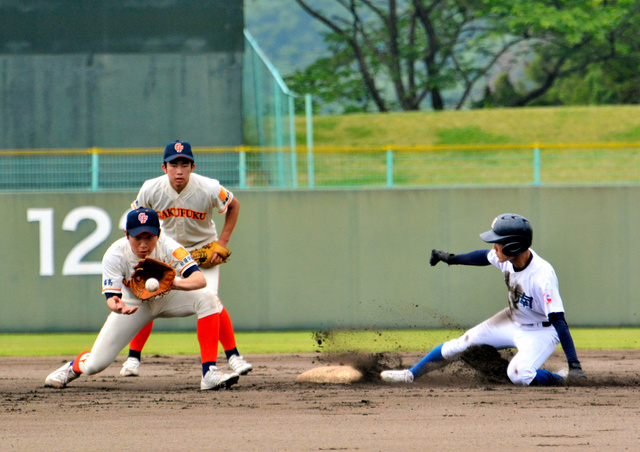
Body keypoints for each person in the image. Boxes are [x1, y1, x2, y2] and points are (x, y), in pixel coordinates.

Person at [44, 208, 240, 391]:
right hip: (134, 305)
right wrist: (118, 306)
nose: (144, 243)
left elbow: (200, 280)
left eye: (149, 236)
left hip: (168, 297)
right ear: (127, 234)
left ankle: (209, 373)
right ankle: (75, 366)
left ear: (159, 234)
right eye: (138, 237)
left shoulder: (170, 247)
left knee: (208, 298)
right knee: (94, 366)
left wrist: (174, 284)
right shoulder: (115, 254)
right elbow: (111, 298)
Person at [381, 213, 587, 386]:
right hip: (512, 319)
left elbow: (559, 321)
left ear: (514, 246)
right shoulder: (506, 259)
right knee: (462, 344)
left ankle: (559, 378)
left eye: (498, 242)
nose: (494, 247)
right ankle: (411, 374)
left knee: (519, 375)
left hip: (542, 331)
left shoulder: (542, 275)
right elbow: (482, 256)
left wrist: (575, 366)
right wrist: (451, 259)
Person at [120, 140, 252, 379]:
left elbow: (233, 205)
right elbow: (134, 218)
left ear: (192, 166)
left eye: (184, 164)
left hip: (203, 253)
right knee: (146, 296)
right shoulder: (151, 188)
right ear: (164, 167)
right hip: (166, 252)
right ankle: (132, 359)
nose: (179, 170)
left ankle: (233, 357)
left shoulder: (209, 187)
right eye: (173, 164)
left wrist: (222, 242)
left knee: (210, 299)